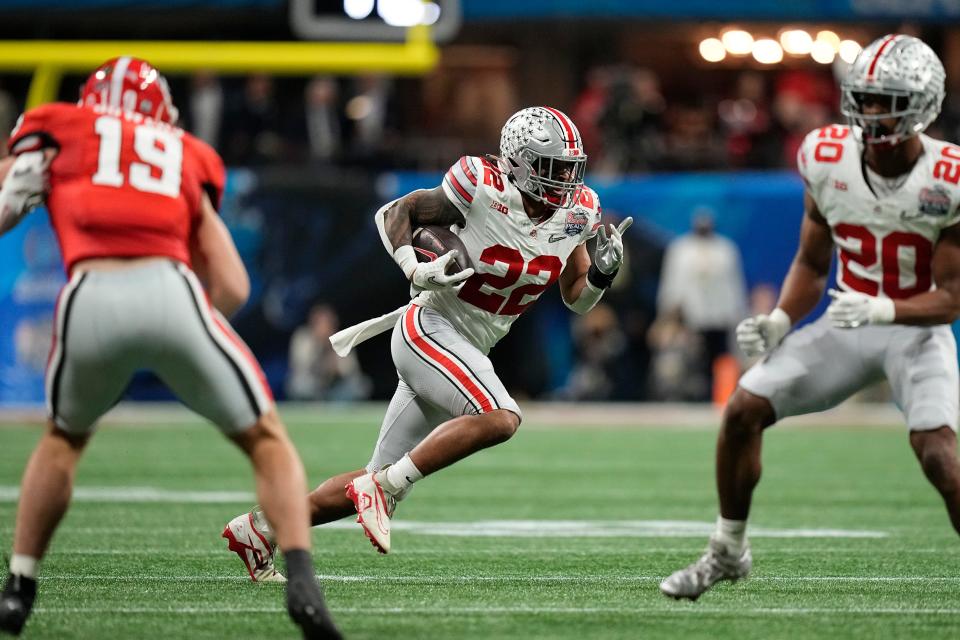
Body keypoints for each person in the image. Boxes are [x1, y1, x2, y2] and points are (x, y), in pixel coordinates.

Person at [0, 58, 340, 639]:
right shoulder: (185, 151)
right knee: (265, 440)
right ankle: (302, 577)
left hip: (90, 293)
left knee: (63, 439)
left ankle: (19, 587)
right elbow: (232, 283)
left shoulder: (58, 126)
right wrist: (185, 337)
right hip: (170, 288)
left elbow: (7, 208)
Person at [223, 106, 633, 578]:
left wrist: (601, 275)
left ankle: (260, 530)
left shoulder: (578, 211)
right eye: (552, 167)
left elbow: (576, 299)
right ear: (518, 161)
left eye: (570, 167)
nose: (565, 178)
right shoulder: (480, 183)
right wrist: (415, 269)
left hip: (468, 347)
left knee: (372, 475)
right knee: (500, 418)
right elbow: (395, 212)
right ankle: (387, 489)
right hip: (430, 328)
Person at [661, 35, 960, 600]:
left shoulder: (948, 174)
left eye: (886, 99)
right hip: (848, 325)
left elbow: (953, 295)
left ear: (923, 103)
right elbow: (811, 261)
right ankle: (727, 552)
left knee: (940, 455)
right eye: (866, 98)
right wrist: (779, 320)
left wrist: (884, 307)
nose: (872, 111)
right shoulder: (826, 157)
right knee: (743, 409)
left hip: (917, 331)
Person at [654, 210, 748, 400]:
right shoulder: (681, 249)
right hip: (690, 317)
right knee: (690, 361)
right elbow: (671, 283)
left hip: (720, 318)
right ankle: (691, 397)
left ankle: (721, 397)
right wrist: (667, 316)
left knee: (721, 359)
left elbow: (735, 284)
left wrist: (738, 315)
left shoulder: (725, 249)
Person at [286, 304, 371, 401]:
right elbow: (300, 366)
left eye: (328, 323)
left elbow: (351, 371)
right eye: (321, 323)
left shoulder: (342, 339)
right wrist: (319, 347)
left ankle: (337, 408)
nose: (324, 328)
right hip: (312, 384)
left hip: (334, 387)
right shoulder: (303, 337)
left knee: (361, 385)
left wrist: (333, 355)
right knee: (298, 385)